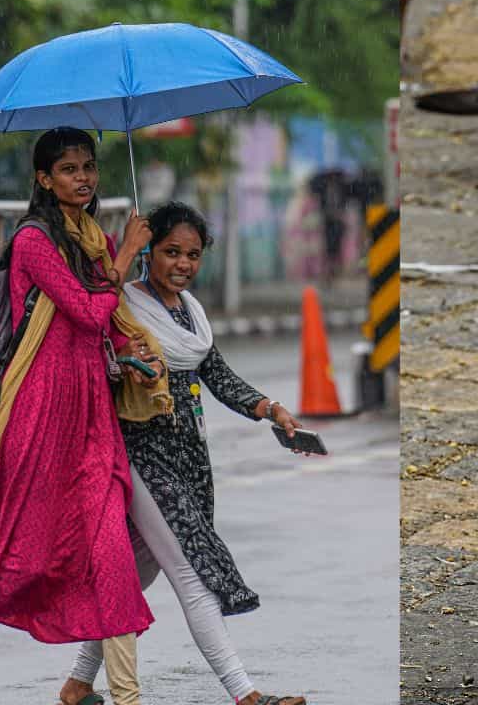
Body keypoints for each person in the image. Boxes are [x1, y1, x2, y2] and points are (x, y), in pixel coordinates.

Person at [0, 126, 169, 705]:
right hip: (37, 415)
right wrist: (126, 256)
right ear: (43, 178)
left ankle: (127, 696)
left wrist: (133, 344)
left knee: (111, 551)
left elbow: (104, 321)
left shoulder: (89, 235)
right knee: (22, 558)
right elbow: (87, 312)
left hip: (91, 413)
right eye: (69, 169)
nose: (83, 178)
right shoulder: (35, 242)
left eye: (88, 166)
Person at [58, 201, 307, 705]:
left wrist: (272, 410)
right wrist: (123, 364)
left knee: (137, 571)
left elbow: (217, 376)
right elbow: (95, 363)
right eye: (172, 251)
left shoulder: (191, 314)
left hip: (189, 460)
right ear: (149, 250)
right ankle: (246, 694)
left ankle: (78, 683)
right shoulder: (123, 305)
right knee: (193, 574)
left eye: (193, 254)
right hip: (144, 458)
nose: (184, 264)